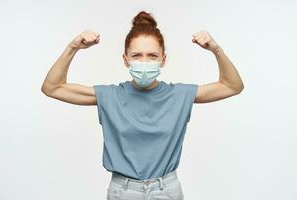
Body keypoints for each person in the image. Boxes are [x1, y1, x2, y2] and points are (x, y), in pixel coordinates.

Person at [41, 10, 244, 200]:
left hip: (166, 190)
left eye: (152, 56)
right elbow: (53, 87)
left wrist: (216, 49)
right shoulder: (110, 96)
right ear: (125, 59)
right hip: (123, 190)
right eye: (137, 55)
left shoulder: (180, 95)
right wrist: (73, 47)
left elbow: (232, 86)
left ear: (163, 60)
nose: (144, 62)